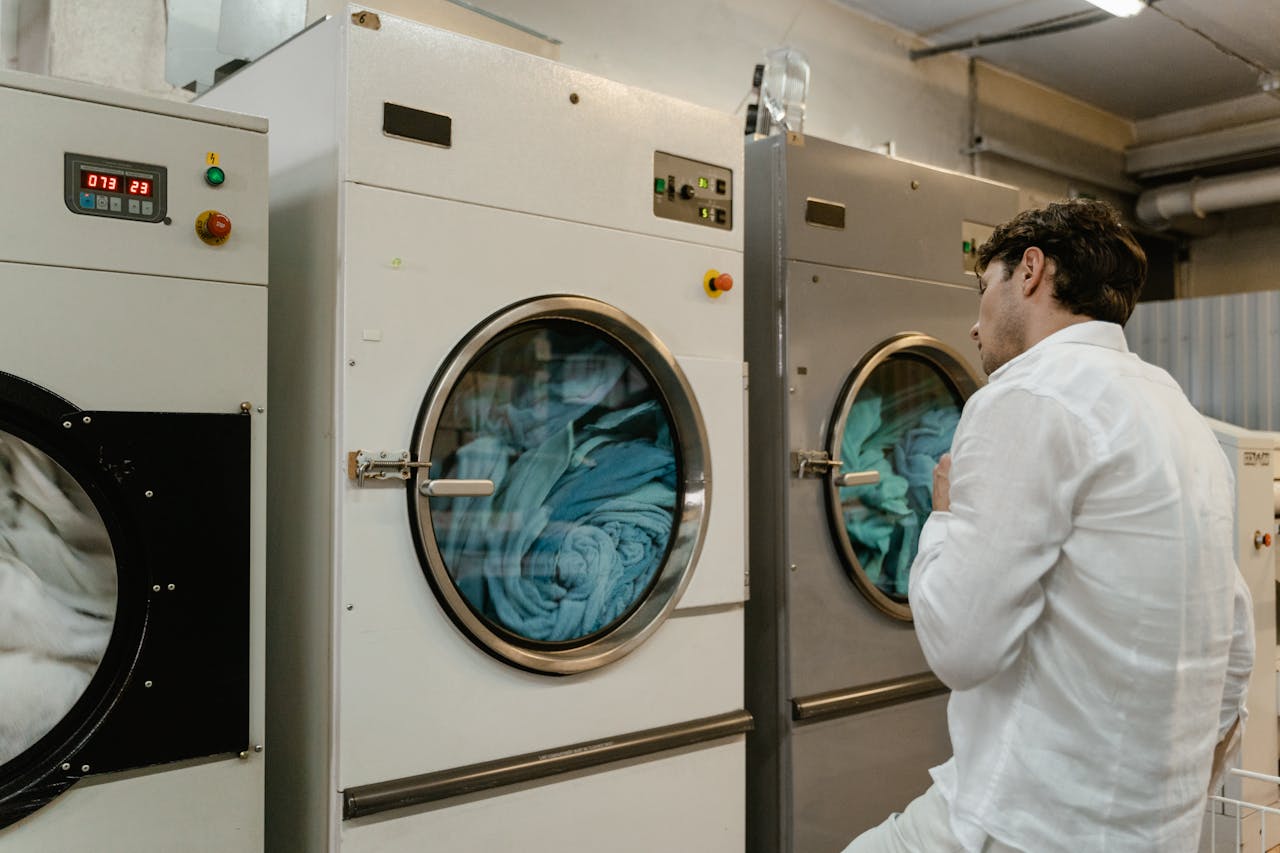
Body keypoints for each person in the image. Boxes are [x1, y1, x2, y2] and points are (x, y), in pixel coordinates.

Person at [843, 199, 1254, 853]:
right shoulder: (1173, 406)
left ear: (1030, 270)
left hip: (1028, 822)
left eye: (983, 290)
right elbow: (1236, 642)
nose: (974, 328)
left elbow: (961, 647)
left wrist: (943, 518)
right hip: (1155, 828)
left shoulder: (1026, 393)